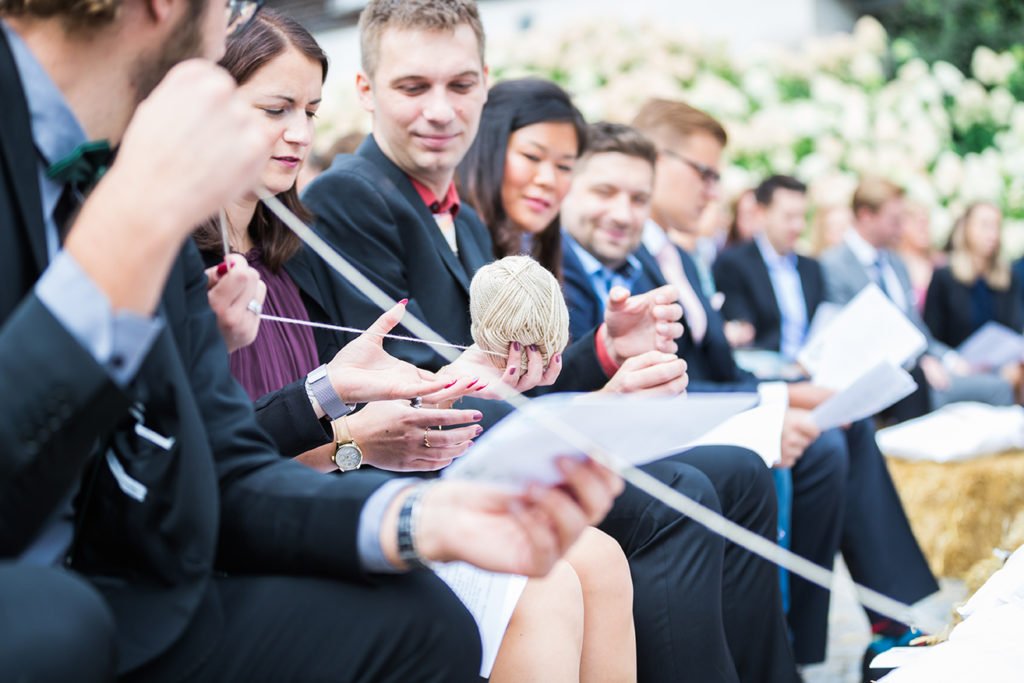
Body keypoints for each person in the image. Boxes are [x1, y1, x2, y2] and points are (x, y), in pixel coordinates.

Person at [0, 2, 623, 681]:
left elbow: (225, 462)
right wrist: (130, 225)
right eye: (231, 8)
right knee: (57, 622)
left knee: (426, 623)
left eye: (308, 111)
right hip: (63, 594)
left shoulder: (168, 197)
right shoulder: (150, 192)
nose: (232, 27)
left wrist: (419, 516)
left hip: (145, 576)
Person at [303, 5, 797, 681]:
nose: (441, 110)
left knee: (741, 473)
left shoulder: (469, 226)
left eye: (460, 85)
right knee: (680, 495)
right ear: (366, 91)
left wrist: (600, 353)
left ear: (485, 85)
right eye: (413, 87)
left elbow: (503, 370)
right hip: (424, 465)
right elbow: (407, 383)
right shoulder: (349, 196)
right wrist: (586, 418)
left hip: (495, 437)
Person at [198, 16, 635, 683]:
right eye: (276, 109)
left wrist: (466, 378)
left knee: (596, 559)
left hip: (322, 490)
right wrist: (358, 429)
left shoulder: (289, 255)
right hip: (259, 535)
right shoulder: (204, 263)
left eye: (310, 111)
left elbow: (327, 426)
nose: (299, 133)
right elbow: (236, 455)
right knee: (545, 577)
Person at [593, 115, 938, 670]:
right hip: (665, 416)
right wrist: (780, 402)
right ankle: (798, 647)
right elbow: (673, 374)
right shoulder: (632, 258)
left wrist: (792, 391)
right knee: (819, 447)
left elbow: (726, 369)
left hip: (707, 397)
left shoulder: (674, 258)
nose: (714, 189)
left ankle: (881, 622)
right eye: (703, 172)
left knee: (845, 429)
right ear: (656, 159)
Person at [820, 177, 1015, 413]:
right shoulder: (833, 265)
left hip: (924, 370)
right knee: (994, 391)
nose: (901, 227)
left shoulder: (895, 263)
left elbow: (917, 329)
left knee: (1000, 386)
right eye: (894, 220)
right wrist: (918, 362)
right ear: (865, 216)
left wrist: (950, 360)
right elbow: (850, 336)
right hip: (883, 380)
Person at [713, 175, 824, 360]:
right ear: (762, 214)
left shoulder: (811, 268)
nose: (798, 226)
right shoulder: (733, 264)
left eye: (802, 216)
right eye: (789, 217)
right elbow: (743, 327)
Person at [924, 202, 1024, 349]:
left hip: (1002, 367)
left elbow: (1014, 328)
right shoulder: (944, 278)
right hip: (957, 366)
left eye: (996, 226)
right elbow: (932, 335)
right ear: (966, 228)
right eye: (985, 225)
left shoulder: (1009, 278)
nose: (992, 234)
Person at [897, 201, 944, 313]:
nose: (923, 228)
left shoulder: (940, 263)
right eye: (917, 222)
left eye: (926, 222)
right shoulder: (893, 263)